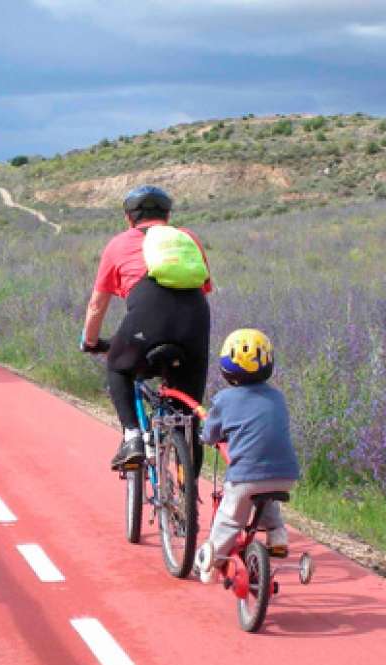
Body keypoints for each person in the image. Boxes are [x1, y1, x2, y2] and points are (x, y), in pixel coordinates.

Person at [80, 185, 213, 470]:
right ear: (167, 216)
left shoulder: (118, 244)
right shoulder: (189, 239)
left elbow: (96, 305)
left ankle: (132, 437)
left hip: (147, 320)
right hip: (195, 320)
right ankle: (187, 495)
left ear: (129, 218)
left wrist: (91, 341)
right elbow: (204, 287)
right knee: (187, 415)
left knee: (118, 365)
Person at [195, 328, 299, 584]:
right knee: (265, 497)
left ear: (226, 368)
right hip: (285, 475)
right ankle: (277, 536)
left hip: (246, 477)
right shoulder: (278, 397)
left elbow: (210, 434)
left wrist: (206, 435)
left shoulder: (224, 399)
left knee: (230, 518)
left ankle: (211, 562)